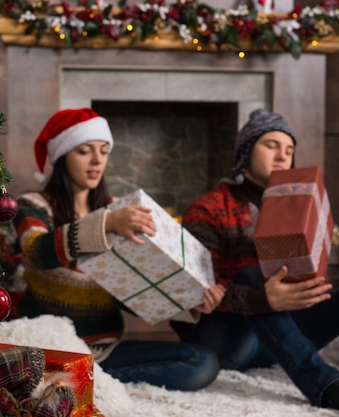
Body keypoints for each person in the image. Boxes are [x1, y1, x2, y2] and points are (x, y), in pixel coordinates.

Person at [171, 108, 339, 417]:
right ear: (246, 152)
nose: (282, 155)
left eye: (289, 150)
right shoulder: (208, 208)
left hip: (278, 338)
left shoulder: (300, 207)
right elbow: (195, 290)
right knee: (251, 274)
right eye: (271, 145)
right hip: (226, 340)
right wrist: (263, 300)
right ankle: (327, 388)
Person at [12, 108, 220, 391]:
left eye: (104, 150)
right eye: (85, 151)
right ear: (62, 156)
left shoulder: (118, 207)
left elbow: (134, 290)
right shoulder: (34, 204)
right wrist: (106, 223)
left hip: (105, 350)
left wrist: (187, 298)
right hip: (51, 344)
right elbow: (37, 251)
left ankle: (84, 382)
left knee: (202, 362)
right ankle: (75, 380)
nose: (98, 160)